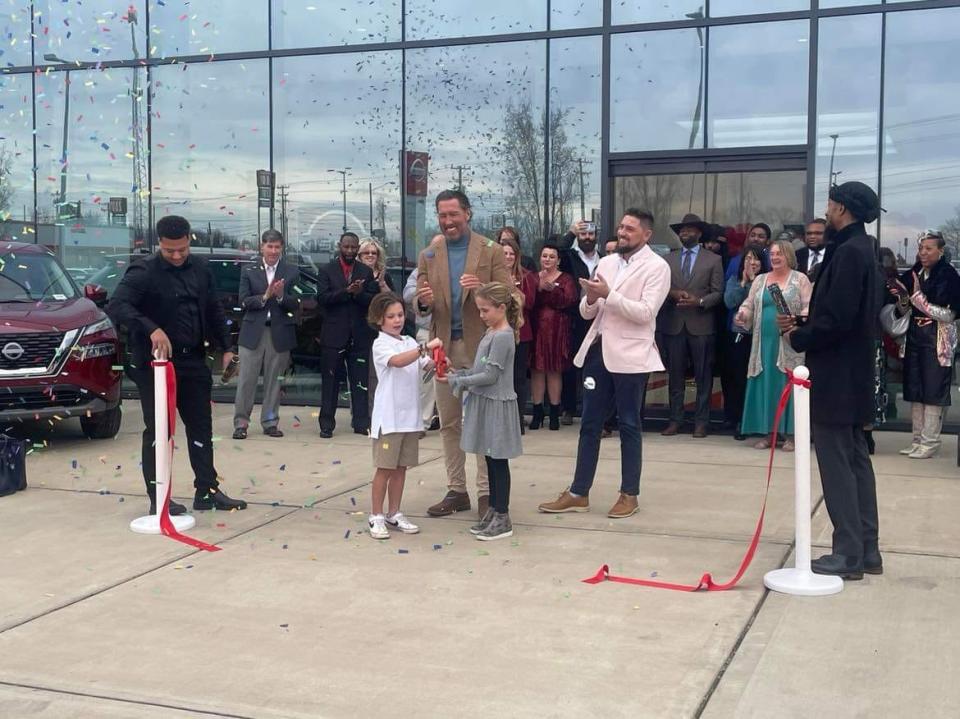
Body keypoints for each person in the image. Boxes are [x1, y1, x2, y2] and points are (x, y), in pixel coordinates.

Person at [107, 215, 247, 515]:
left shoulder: (200, 269)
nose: (176, 255)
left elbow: (213, 308)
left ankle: (207, 491)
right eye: (170, 251)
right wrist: (151, 328)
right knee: (158, 429)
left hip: (194, 359)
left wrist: (226, 348)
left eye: (182, 249)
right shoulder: (143, 271)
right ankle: (158, 497)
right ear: (160, 244)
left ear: (188, 242)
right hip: (156, 365)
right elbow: (117, 305)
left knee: (201, 428)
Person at [780, 180, 883, 580]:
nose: (827, 209)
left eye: (830, 203)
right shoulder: (864, 249)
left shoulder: (848, 253)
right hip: (853, 371)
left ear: (842, 209)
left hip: (836, 375)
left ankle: (848, 554)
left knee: (838, 464)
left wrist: (801, 334)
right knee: (856, 461)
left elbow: (837, 319)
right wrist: (807, 322)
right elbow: (849, 314)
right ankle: (867, 549)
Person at [538, 208, 670, 519]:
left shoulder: (657, 267)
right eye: (621, 227)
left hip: (631, 356)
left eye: (630, 229)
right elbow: (587, 313)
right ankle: (578, 492)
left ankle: (629, 494)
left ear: (647, 235)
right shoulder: (608, 262)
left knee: (628, 423)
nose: (622, 232)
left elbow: (646, 312)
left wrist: (608, 295)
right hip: (598, 351)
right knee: (589, 423)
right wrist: (592, 298)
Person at [416, 189, 512, 519]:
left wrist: (480, 289)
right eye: (442, 215)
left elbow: (510, 297)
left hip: (480, 347)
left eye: (453, 214)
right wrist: (423, 301)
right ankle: (457, 490)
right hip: (445, 347)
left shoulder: (491, 250)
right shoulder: (429, 253)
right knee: (450, 423)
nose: (447, 222)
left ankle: (487, 494)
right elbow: (421, 302)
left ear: (467, 213)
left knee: (482, 424)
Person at [441, 282, 523, 541]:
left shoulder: (502, 336)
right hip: (486, 402)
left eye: (485, 310)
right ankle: (494, 512)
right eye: (479, 310)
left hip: (496, 405)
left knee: (498, 462)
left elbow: (490, 375)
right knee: (489, 458)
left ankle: (502, 515)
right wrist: (459, 374)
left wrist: (459, 381)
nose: (481, 315)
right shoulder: (491, 332)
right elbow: (480, 370)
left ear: (501, 308)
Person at [366, 292, 441, 540]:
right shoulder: (381, 344)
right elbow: (397, 362)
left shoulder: (409, 341)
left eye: (399, 315)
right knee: (384, 468)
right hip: (389, 420)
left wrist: (439, 361)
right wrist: (423, 349)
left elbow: (425, 365)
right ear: (379, 320)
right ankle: (376, 515)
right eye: (390, 316)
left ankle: (394, 512)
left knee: (401, 468)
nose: (397, 320)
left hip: (410, 418)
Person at [735, 240, 812, 451]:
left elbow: (808, 307)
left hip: (788, 341)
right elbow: (749, 304)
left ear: (789, 256)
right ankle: (770, 433)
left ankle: (791, 435)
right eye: (772, 254)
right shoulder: (760, 280)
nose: (775, 257)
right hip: (763, 344)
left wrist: (797, 320)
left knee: (786, 383)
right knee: (766, 383)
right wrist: (742, 315)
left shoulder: (800, 279)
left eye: (780, 254)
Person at [891, 230, 960, 459]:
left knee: (933, 389)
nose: (923, 253)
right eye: (921, 248)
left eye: (928, 248)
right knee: (915, 387)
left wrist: (918, 300)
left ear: (940, 251)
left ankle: (930, 442)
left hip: (938, 338)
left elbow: (949, 315)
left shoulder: (949, 276)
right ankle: (917, 439)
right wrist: (902, 297)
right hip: (915, 336)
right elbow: (906, 306)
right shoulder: (914, 272)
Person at [659, 213, 724, 438]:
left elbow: (718, 292)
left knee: (703, 376)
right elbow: (659, 288)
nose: (684, 233)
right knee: (675, 376)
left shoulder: (713, 260)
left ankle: (701, 422)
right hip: (674, 324)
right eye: (681, 230)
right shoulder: (668, 259)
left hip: (701, 324)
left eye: (689, 230)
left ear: (698, 233)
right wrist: (673, 293)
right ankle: (675, 420)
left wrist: (700, 301)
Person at [232, 229, 300, 440]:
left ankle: (270, 422)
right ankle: (241, 423)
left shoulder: (291, 271)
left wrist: (281, 297)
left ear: (282, 248)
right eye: (269, 246)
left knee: (274, 381)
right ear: (261, 246)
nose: (273, 251)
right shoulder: (249, 270)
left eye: (277, 247)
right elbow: (242, 301)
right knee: (246, 380)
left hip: (279, 332)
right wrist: (265, 296)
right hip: (253, 331)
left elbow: (296, 303)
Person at [317, 232, 379, 438]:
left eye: (353, 248)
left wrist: (359, 293)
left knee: (360, 381)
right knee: (331, 382)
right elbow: (322, 298)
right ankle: (326, 424)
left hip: (360, 335)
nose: (350, 251)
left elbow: (373, 299)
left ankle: (361, 423)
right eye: (346, 247)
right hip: (334, 335)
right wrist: (346, 292)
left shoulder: (365, 271)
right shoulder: (327, 270)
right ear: (340, 246)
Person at [529, 243, 578, 430]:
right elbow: (527, 301)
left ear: (558, 261)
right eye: (544, 256)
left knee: (554, 370)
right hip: (536, 328)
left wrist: (553, 290)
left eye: (551, 256)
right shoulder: (533, 277)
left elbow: (570, 300)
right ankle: (537, 411)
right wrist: (538, 288)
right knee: (537, 370)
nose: (547, 259)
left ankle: (555, 413)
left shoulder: (565, 279)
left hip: (557, 329)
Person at [560, 220, 601, 426]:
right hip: (575, 319)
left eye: (590, 235)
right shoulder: (570, 257)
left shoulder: (605, 260)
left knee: (595, 365)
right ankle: (568, 408)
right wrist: (570, 233)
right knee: (572, 365)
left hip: (598, 318)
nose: (587, 238)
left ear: (596, 236)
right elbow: (555, 249)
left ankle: (591, 408)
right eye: (583, 235)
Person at [722, 245, 765, 441]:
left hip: (763, 336)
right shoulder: (734, 280)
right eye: (748, 259)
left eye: (756, 259)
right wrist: (745, 283)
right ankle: (740, 421)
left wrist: (755, 282)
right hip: (740, 336)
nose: (752, 262)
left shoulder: (769, 281)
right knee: (739, 379)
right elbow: (730, 302)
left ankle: (759, 421)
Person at [500, 234, 537, 434]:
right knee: (499, 376)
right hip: (497, 333)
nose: (507, 257)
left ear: (517, 256)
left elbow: (529, 302)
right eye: (503, 253)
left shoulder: (526, 276)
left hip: (521, 334)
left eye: (511, 254)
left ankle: (517, 418)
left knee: (517, 378)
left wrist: (513, 288)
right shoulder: (491, 275)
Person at [402, 267, 438, 433]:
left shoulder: (458, 266)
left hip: (454, 332)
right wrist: (424, 291)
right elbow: (407, 294)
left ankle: (459, 424)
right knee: (426, 379)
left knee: (455, 375)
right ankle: (422, 423)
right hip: (426, 330)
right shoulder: (421, 271)